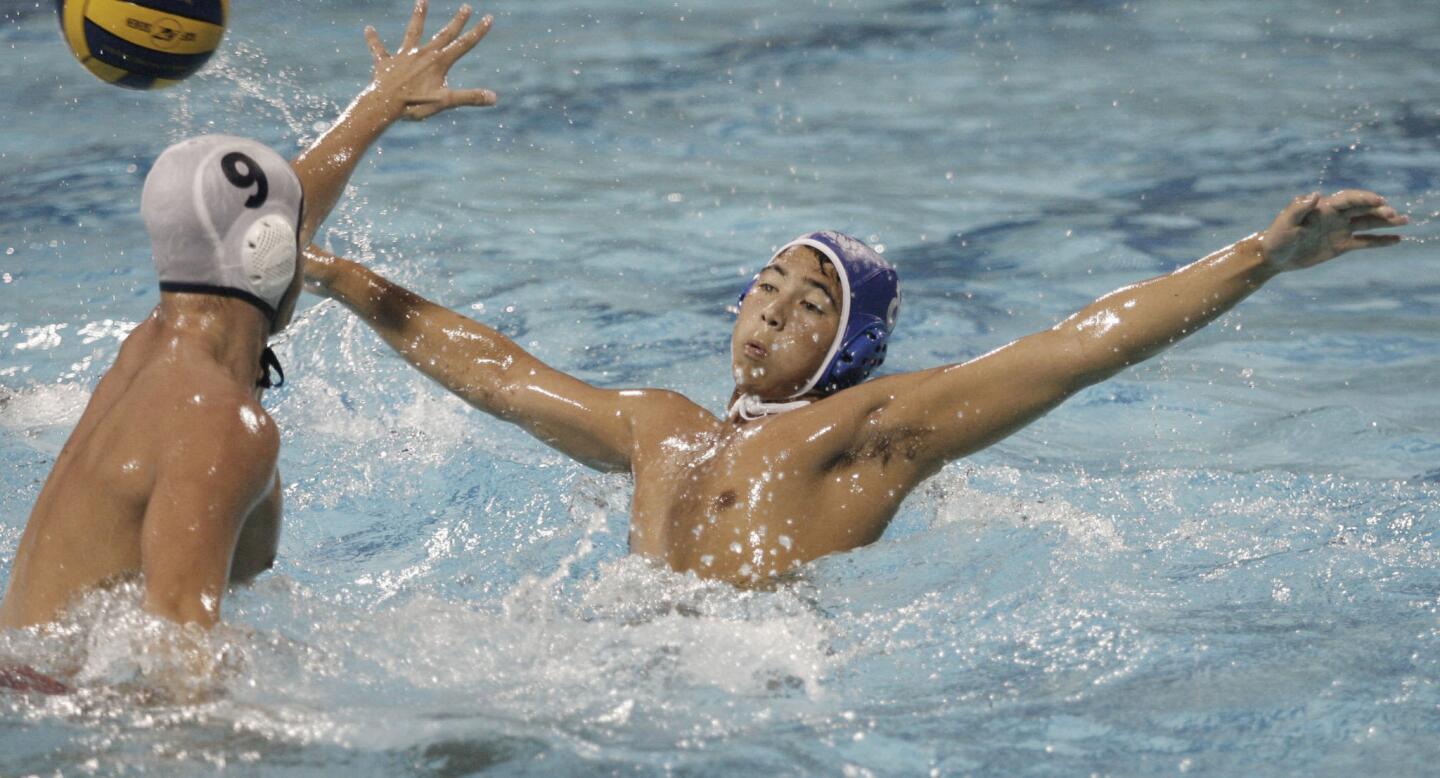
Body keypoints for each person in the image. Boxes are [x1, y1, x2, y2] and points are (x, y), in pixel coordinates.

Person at [303, 189, 1408, 586]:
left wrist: (1256, 261)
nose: (774, 309)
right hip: (627, 643)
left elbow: (1079, 347)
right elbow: (498, 374)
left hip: (750, 680)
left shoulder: (869, 430)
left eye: (813, 303)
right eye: (767, 285)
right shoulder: (660, 427)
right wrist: (346, 278)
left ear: (851, 349)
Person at [0, 1, 495, 669]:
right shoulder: (222, 424)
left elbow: (267, 223)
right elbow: (178, 667)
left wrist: (378, 106)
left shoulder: (151, 352)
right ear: (273, 255)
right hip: (64, 719)